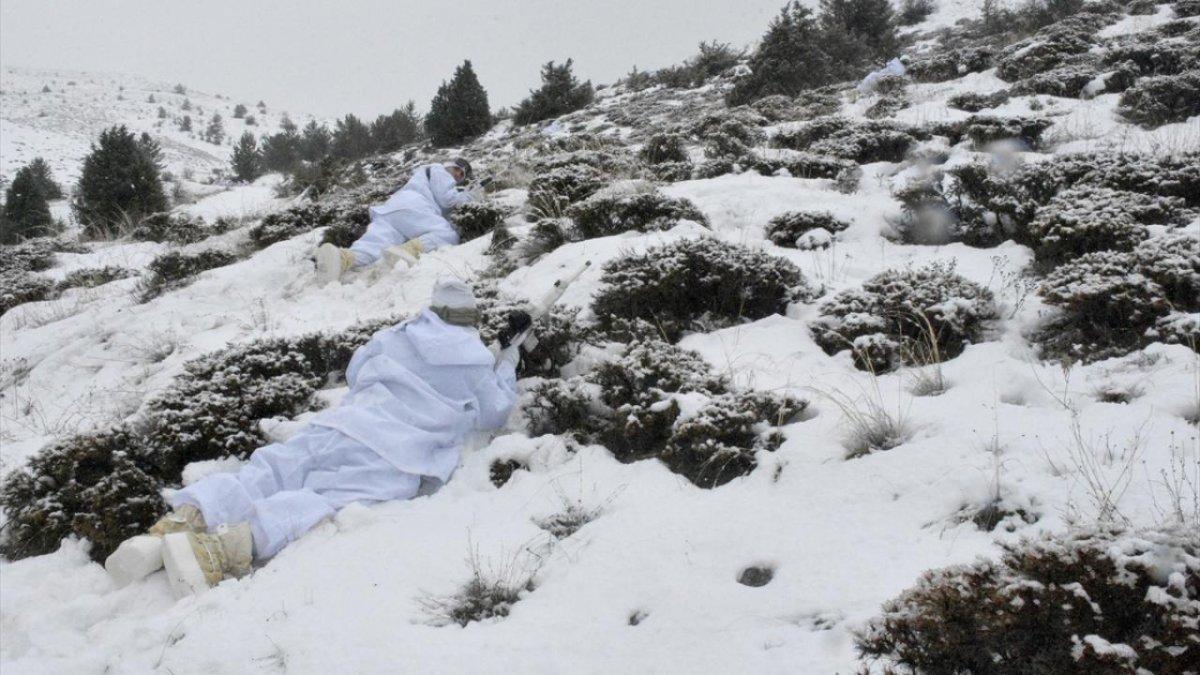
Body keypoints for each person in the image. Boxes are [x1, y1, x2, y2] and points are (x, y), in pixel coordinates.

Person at [105, 279, 528, 598]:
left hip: (339, 426)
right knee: (322, 497)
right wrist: (507, 362)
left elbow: (356, 373)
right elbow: (494, 411)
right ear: (472, 320)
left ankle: (178, 523)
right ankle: (218, 550)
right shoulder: (474, 360)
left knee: (271, 471)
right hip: (391, 451)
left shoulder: (395, 336)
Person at [314, 158, 477, 283]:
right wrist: (469, 196)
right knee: (448, 234)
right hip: (414, 208)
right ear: (448, 165)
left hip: (392, 210)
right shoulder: (439, 170)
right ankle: (409, 250)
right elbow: (447, 199)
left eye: (461, 174)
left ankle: (341, 259)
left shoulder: (425, 176)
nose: (457, 174)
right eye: (457, 169)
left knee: (374, 245)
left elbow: (445, 206)